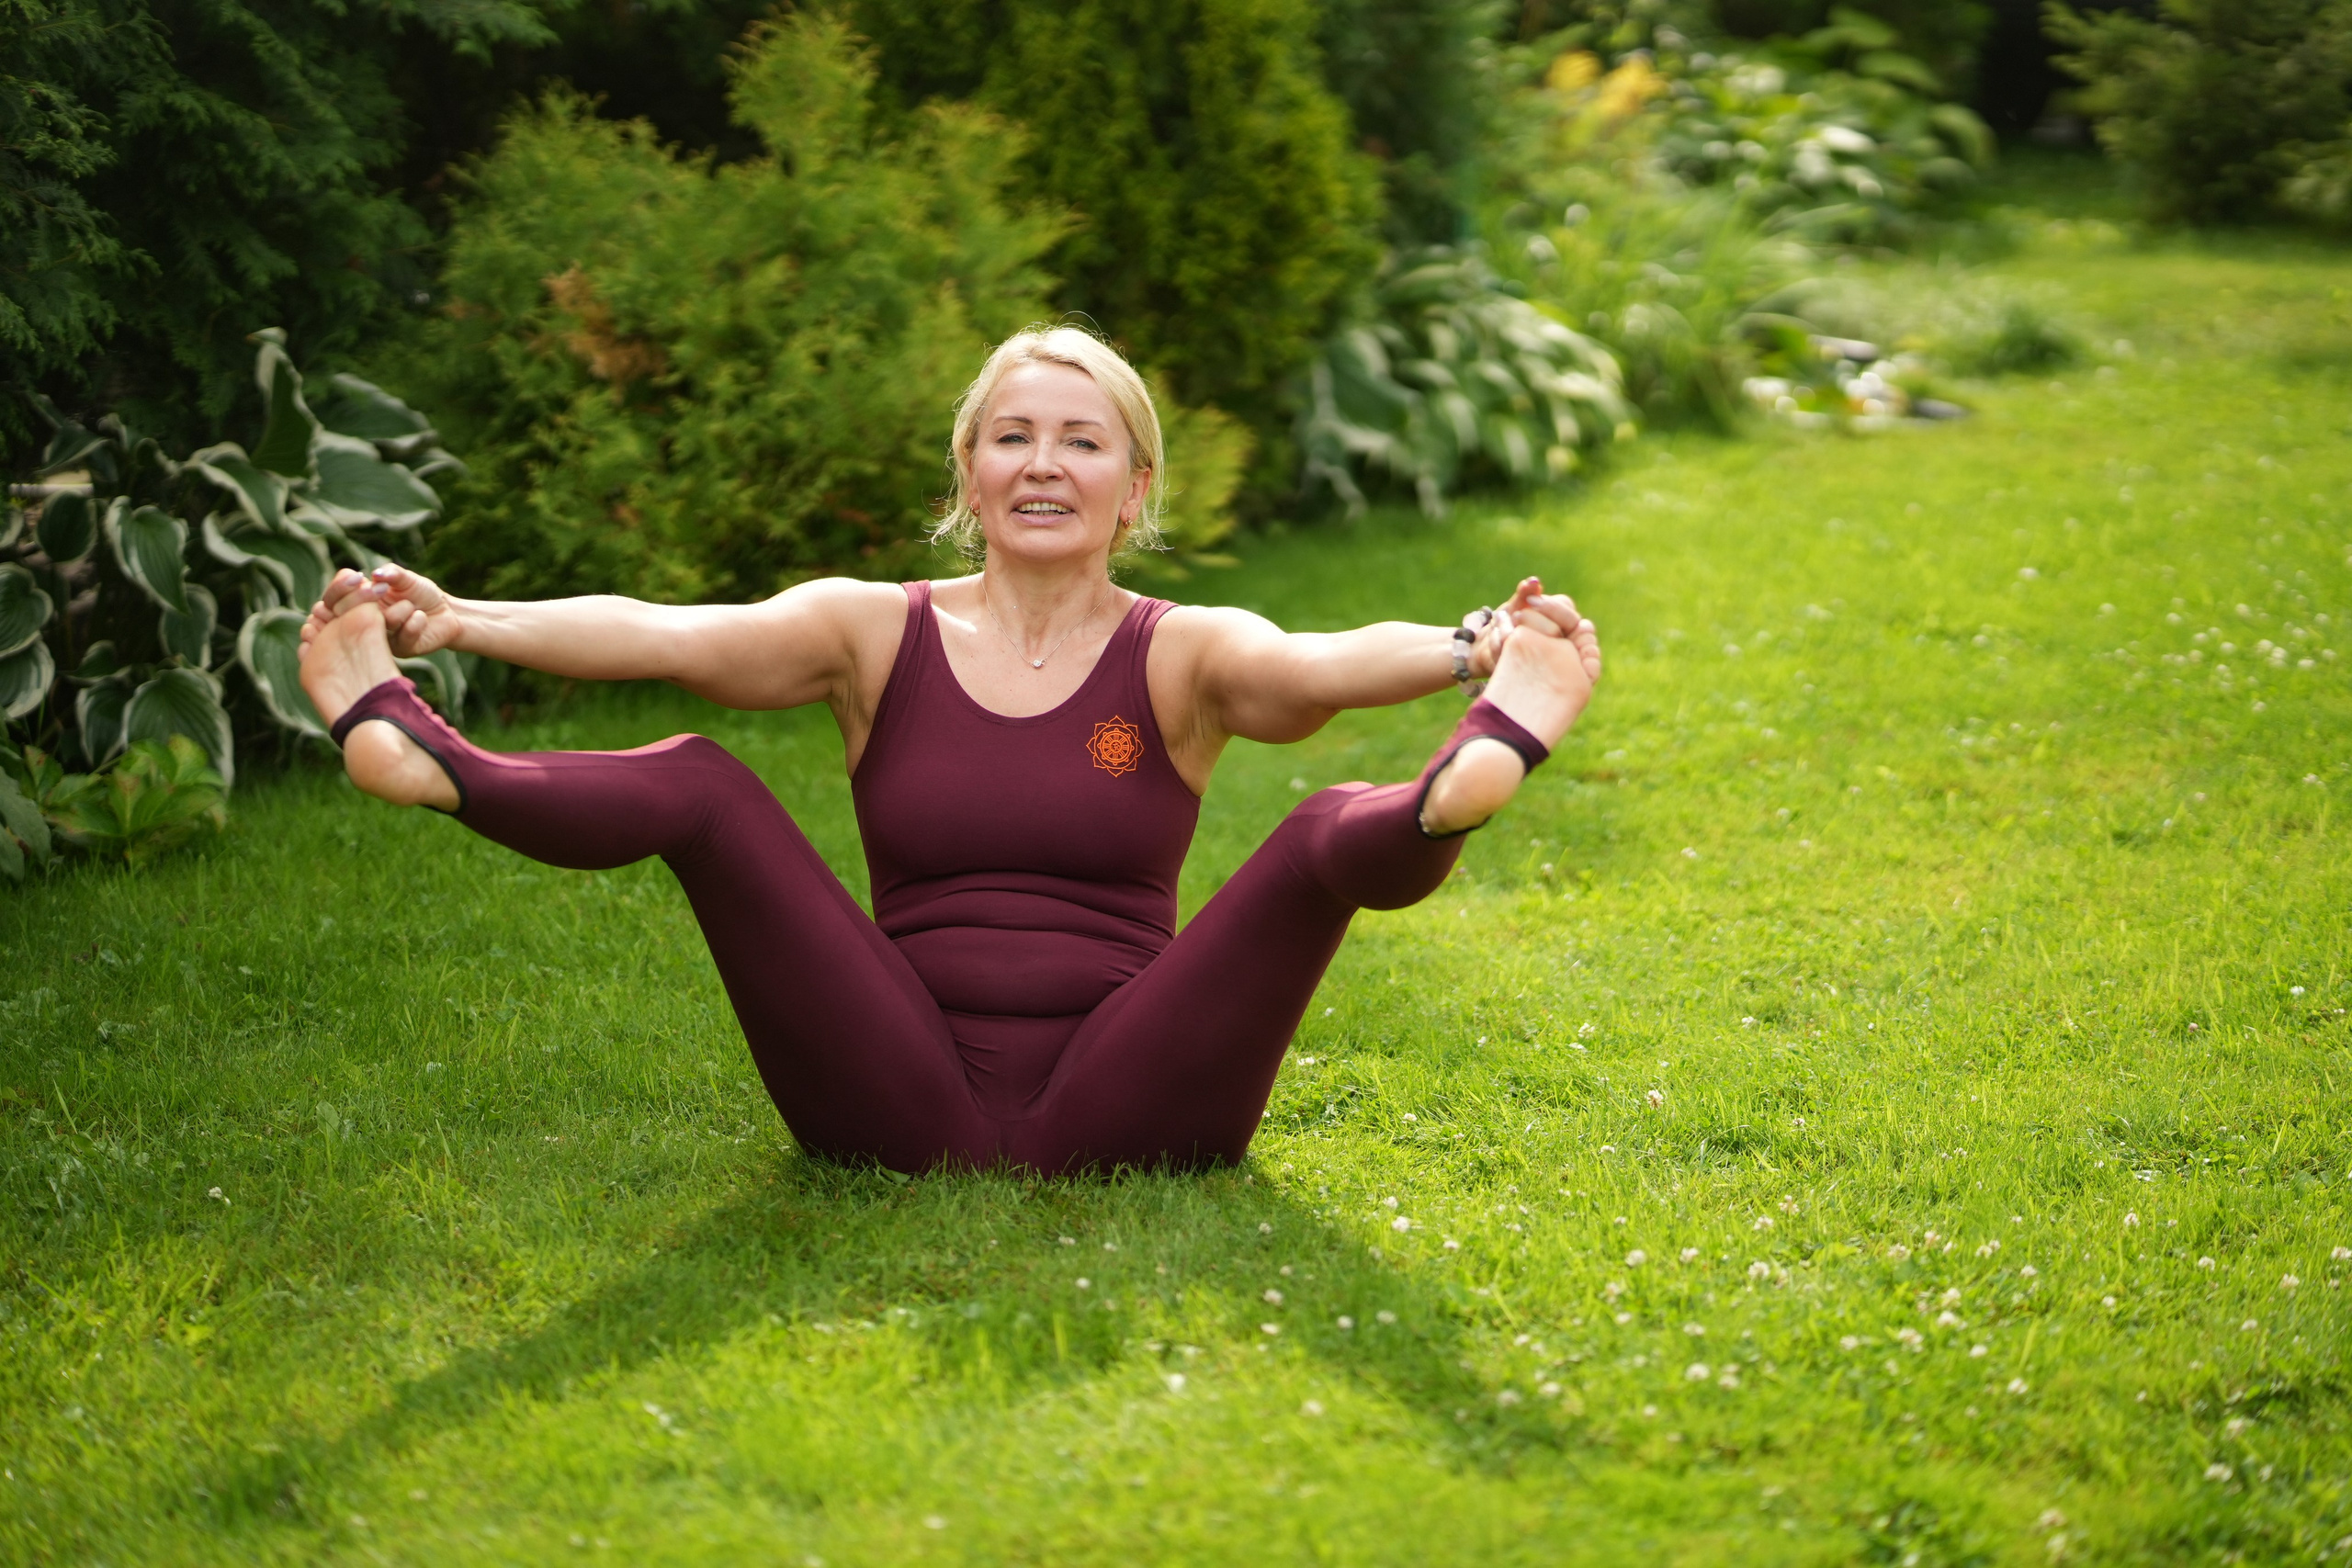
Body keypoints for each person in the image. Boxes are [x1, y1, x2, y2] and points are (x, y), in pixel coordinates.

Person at [297, 326, 1603, 1174]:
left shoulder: (1180, 651)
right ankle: (431, 758)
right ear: (968, 472)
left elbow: (1315, 665)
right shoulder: (868, 633)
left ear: (1132, 487)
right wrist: (460, 621)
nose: (1045, 464)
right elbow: (669, 634)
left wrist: (1472, 643)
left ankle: (1456, 787)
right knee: (698, 779)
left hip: (1134, 1089)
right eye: (1013, 437)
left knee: (1328, 827)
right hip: (892, 1080)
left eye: (1083, 441)